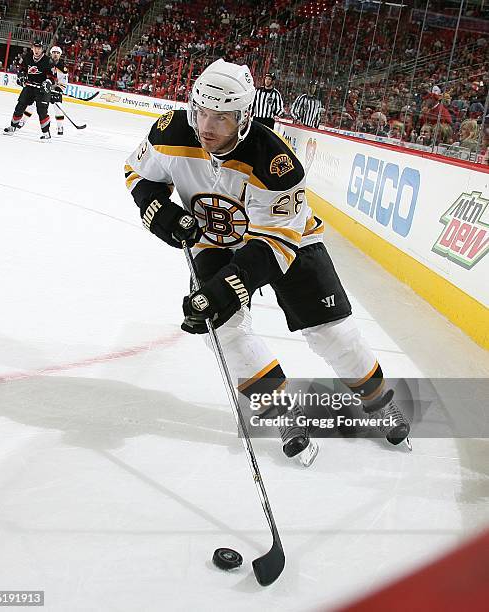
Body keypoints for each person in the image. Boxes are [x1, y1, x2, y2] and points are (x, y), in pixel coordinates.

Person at [124, 59, 411, 467]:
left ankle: (377, 400)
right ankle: (282, 411)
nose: (206, 127)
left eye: (220, 119)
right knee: (221, 326)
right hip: (214, 241)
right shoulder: (171, 130)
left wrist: (230, 286)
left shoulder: (277, 164)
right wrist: (161, 213)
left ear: (243, 119)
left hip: (289, 241)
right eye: (201, 112)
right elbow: (139, 175)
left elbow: (274, 245)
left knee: (333, 333)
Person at [3, 39, 55, 140]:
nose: (37, 50)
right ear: (32, 48)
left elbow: (53, 77)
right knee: (20, 106)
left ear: (42, 49)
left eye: (39, 48)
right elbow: (22, 69)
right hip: (29, 86)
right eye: (35, 47)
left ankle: (46, 133)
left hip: (42, 89)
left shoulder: (48, 60)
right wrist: (21, 76)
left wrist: (48, 82)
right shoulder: (27, 57)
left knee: (42, 111)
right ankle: (13, 127)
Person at [17, 46, 68, 135]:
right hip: (42, 88)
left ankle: (60, 126)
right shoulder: (46, 62)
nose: (55, 54)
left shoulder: (62, 67)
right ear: (51, 53)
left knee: (58, 108)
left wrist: (57, 90)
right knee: (31, 104)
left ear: (60, 55)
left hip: (55, 90)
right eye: (54, 52)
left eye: (57, 53)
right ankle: (22, 121)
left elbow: (63, 81)